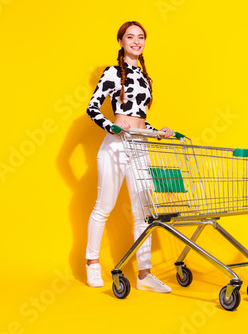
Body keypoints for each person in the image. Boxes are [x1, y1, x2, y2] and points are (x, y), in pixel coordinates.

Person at [85, 21, 174, 293]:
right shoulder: (112, 73)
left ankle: (145, 275)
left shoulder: (146, 78)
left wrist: (157, 132)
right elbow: (92, 108)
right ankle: (91, 263)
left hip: (141, 146)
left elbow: (139, 118)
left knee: (144, 212)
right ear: (121, 42)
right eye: (130, 37)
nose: (136, 41)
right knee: (104, 207)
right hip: (115, 146)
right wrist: (111, 126)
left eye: (141, 37)